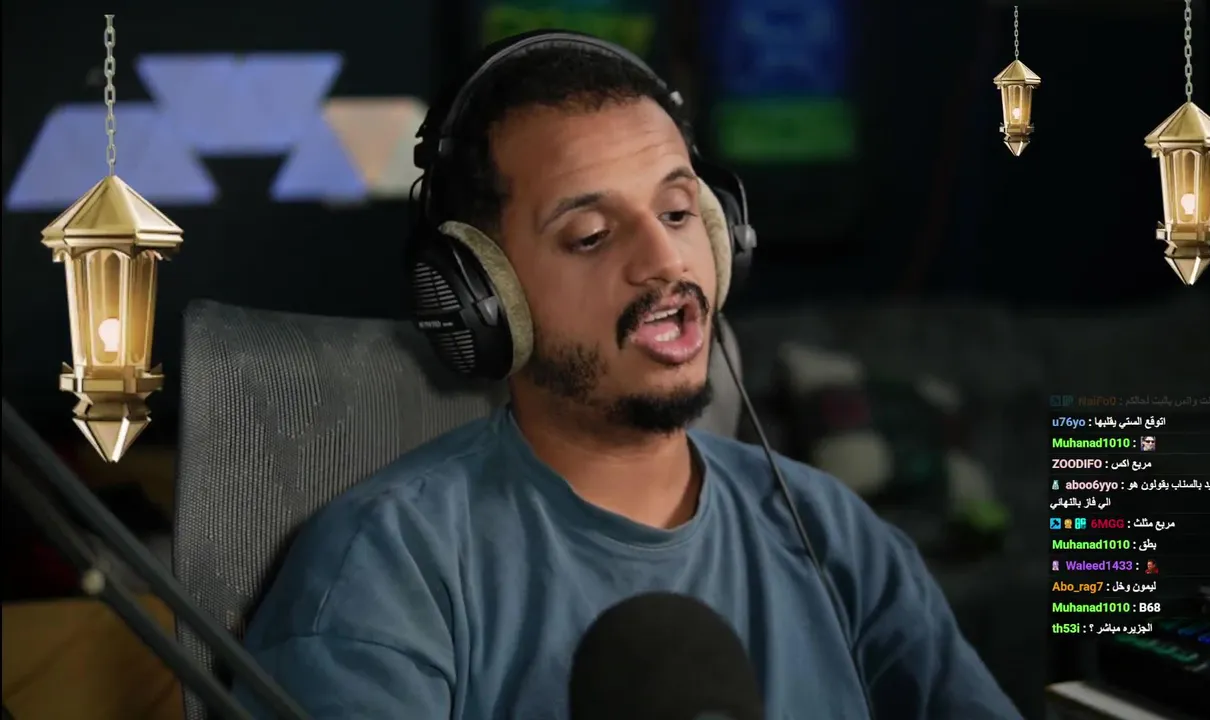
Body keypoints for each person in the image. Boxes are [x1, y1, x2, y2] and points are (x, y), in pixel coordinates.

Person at [235, 34, 1021, 719]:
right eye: (591, 235)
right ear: (485, 296)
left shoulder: (833, 532)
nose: (664, 260)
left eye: (678, 214)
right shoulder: (387, 569)